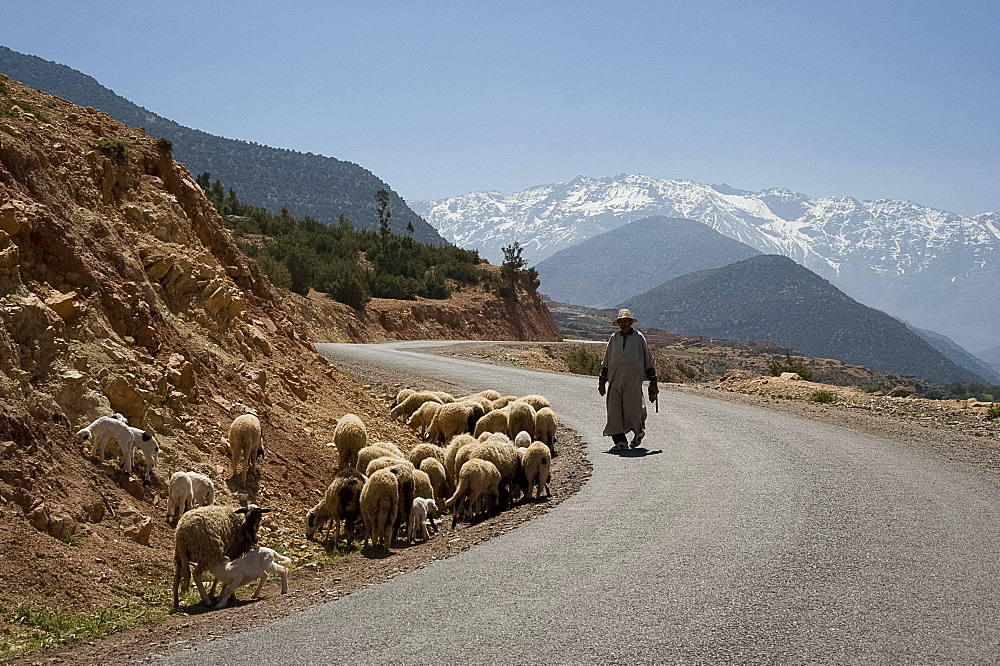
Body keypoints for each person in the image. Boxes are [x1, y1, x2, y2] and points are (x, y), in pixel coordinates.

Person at [598, 309, 658, 449]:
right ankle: (620, 441)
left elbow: (648, 360)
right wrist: (602, 382)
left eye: (626, 321)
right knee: (614, 411)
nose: (624, 324)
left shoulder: (639, 338)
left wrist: (653, 382)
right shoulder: (614, 338)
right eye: (621, 321)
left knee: (634, 410)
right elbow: (606, 362)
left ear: (631, 322)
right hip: (615, 382)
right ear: (618, 323)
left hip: (633, 382)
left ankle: (638, 432)